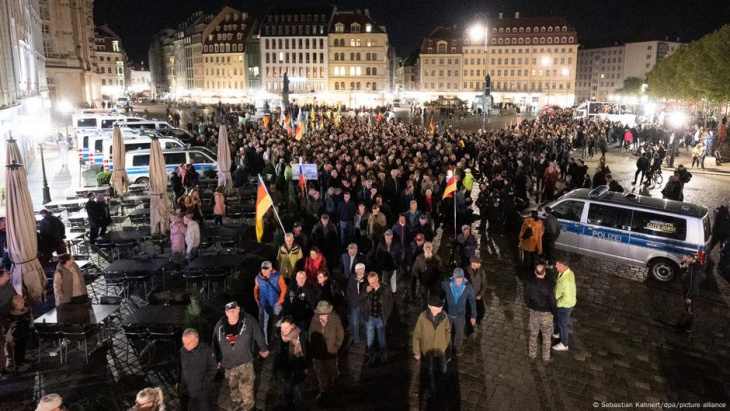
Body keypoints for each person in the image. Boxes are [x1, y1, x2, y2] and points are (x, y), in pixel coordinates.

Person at [212, 301, 269, 411]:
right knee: (233, 386)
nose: (232, 313)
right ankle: (236, 401)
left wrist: (263, 348)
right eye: (229, 311)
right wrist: (216, 359)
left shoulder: (248, 320)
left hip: (245, 360)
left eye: (234, 310)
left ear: (238, 309)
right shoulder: (220, 325)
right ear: (226, 312)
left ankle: (248, 405)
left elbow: (258, 333)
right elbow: (215, 342)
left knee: (247, 386)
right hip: (228, 363)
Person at [412, 296, 451, 399]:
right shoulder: (422, 317)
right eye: (439, 307)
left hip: (440, 349)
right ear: (432, 307)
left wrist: (445, 343)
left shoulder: (444, 316)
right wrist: (417, 352)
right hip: (428, 349)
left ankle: (441, 389)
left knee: (442, 370)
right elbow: (417, 335)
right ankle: (432, 391)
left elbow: (448, 331)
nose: (441, 308)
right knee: (429, 372)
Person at [308, 300, 344, 402]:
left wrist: (336, 346)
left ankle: (334, 387)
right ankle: (323, 390)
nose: (322, 316)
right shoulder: (314, 319)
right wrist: (313, 349)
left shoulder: (335, 319)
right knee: (320, 373)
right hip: (318, 354)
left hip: (331, 353)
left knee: (333, 371)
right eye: (320, 314)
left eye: (324, 314)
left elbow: (340, 334)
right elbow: (311, 335)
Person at [178, 328, 217, 411]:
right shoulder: (183, 351)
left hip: (202, 391)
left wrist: (204, 384)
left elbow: (213, 369)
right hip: (187, 389)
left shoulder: (207, 352)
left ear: (196, 340)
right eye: (183, 343)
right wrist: (181, 382)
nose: (185, 346)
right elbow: (182, 367)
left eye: (188, 343)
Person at [360, 271, 394, 365]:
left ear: (377, 279)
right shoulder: (365, 288)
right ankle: (372, 356)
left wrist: (387, 315)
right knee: (370, 340)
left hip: (380, 317)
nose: (371, 284)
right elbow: (360, 300)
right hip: (370, 318)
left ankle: (383, 355)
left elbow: (390, 303)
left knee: (381, 339)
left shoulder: (385, 288)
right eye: (369, 282)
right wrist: (366, 293)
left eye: (373, 282)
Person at [524, 264, 557, 362]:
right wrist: (554, 312)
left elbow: (526, 298)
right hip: (546, 314)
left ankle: (532, 355)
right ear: (544, 273)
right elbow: (552, 301)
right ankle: (546, 357)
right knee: (547, 337)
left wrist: (531, 306)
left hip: (534, 313)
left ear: (535, 272)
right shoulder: (549, 285)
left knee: (533, 335)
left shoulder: (529, 284)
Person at [277, 316, 309, 411]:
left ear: (292, 326)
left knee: (298, 389)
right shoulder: (279, 335)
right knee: (287, 389)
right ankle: (290, 405)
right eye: (282, 327)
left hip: (298, 366)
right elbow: (279, 352)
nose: (283, 330)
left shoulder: (300, 335)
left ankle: (299, 406)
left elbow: (305, 351)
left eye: (286, 327)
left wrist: (305, 366)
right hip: (286, 367)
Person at [441, 268, 476, 356]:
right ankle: (447, 348)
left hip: (460, 315)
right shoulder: (447, 283)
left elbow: (472, 301)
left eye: (460, 279)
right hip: (448, 313)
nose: (459, 281)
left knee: (460, 333)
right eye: (457, 279)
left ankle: (457, 348)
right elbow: (441, 294)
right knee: (446, 332)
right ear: (454, 277)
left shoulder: (468, 286)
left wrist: (473, 315)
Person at [254, 261, 287, 344]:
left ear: (271, 269)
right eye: (263, 269)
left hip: (276, 304)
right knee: (263, 325)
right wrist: (257, 300)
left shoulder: (278, 276)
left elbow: (284, 289)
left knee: (278, 324)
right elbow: (256, 289)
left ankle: (279, 343)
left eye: (266, 269)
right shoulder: (258, 278)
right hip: (264, 304)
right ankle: (265, 344)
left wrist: (280, 301)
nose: (264, 271)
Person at [411, 242, 445, 309]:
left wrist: (438, 279)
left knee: (433, 298)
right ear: (424, 249)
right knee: (423, 299)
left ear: (431, 249)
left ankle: (432, 311)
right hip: (424, 282)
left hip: (434, 282)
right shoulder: (419, 258)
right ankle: (424, 312)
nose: (428, 250)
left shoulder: (436, 257)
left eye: (429, 248)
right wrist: (420, 277)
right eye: (426, 248)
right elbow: (414, 269)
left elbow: (441, 269)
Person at [552, 260, 576, 352]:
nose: (555, 266)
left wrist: (557, 303)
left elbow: (567, 298)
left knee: (563, 324)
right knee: (558, 319)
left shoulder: (566, 281)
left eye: (558, 265)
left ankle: (564, 344)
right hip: (563, 304)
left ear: (563, 266)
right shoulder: (568, 272)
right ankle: (557, 333)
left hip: (565, 306)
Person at [5, 294, 32, 372]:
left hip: (24, 334)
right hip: (17, 336)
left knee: (23, 349)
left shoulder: (25, 311)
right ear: (16, 305)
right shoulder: (11, 315)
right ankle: (18, 365)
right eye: (21, 304)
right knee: (17, 351)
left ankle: (22, 362)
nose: (22, 305)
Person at [679, 253, 704, 333]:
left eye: (687, 257)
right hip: (687, 292)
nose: (685, 258)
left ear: (692, 258)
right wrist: (683, 267)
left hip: (691, 294)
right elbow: (683, 275)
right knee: (687, 309)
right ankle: (684, 325)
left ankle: (687, 328)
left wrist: (689, 297)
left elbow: (694, 284)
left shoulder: (696, 270)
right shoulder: (690, 266)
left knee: (690, 311)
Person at [346, 263, 367, 345]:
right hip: (355, 305)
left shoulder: (368, 278)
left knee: (365, 322)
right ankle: (356, 338)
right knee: (355, 323)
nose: (360, 271)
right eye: (358, 269)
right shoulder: (352, 278)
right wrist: (351, 301)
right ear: (355, 270)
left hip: (365, 305)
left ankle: (366, 337)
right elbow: (348, 291)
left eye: (361, 269)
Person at [465, 256, 485, 332]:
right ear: (473, 263)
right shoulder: (466, 271)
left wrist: (481, 294)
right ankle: (469, 328)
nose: (480, 264)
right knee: (468, 312)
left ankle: (478, 321)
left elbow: (484, 284)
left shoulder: (481, 271)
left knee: (481, 311)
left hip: (478, 296)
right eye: (478, 263)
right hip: (469, 297)